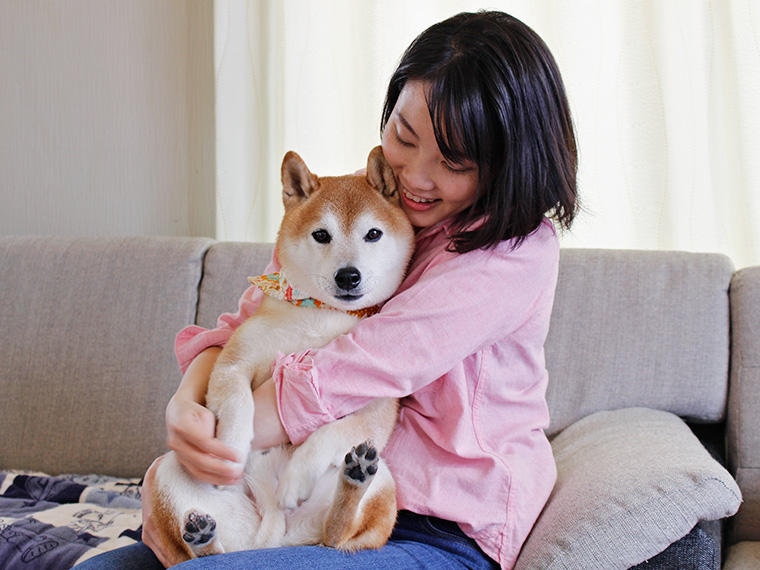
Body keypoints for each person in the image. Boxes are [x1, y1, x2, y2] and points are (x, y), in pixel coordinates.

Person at [76, 9, 577, 570]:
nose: (414, 175)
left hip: (435, 525)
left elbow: (372, 364)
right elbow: (248, 325)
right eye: (403, 137)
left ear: (509, 162)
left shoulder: (512, 253)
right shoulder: (345, 212)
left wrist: (222, 440)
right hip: (280, 498)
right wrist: (187, 403)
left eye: (451, 162)